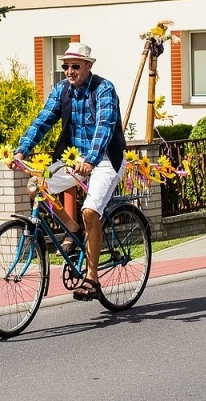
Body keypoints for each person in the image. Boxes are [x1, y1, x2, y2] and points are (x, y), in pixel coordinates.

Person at [15, 43, 124, 300]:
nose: (69, 71)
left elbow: (104, 127)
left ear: (89, 66)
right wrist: (22, 150)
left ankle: (93, 279)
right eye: (65, 66)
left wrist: (92, 159)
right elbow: (43, 120)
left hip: (106, 158)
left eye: (75, 66)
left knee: (89, 211)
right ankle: (73, 231)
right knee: (35, 187)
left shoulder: (104, 89)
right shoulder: (62, 90)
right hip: (74, 159)